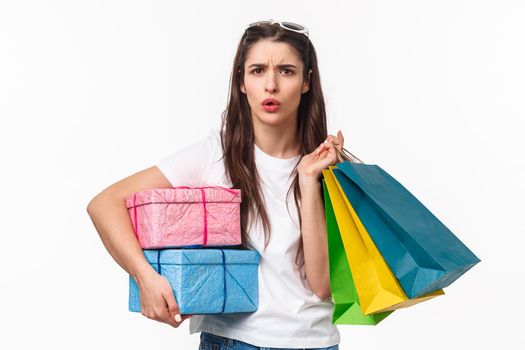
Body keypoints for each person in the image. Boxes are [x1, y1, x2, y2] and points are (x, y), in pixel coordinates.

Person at [87, 19, 345, 350]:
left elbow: (321, 286)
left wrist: (310, 179)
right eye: (257, 71)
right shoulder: (215, 155)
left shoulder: (328, 166)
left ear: (306, 82)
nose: (270, 85)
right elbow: (105, 204)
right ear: (241, 82)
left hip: (316, 342)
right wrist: (145, 278)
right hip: (235, 341)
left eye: (286, 71)